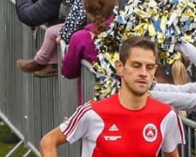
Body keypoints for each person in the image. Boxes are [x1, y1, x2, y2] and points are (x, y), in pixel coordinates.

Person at [40, 36, 184, 157]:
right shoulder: (92, 113)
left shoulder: (167, 115)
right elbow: (48, 142)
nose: (143, 73)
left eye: (149, 67)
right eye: (136, 65)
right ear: (120, 67)